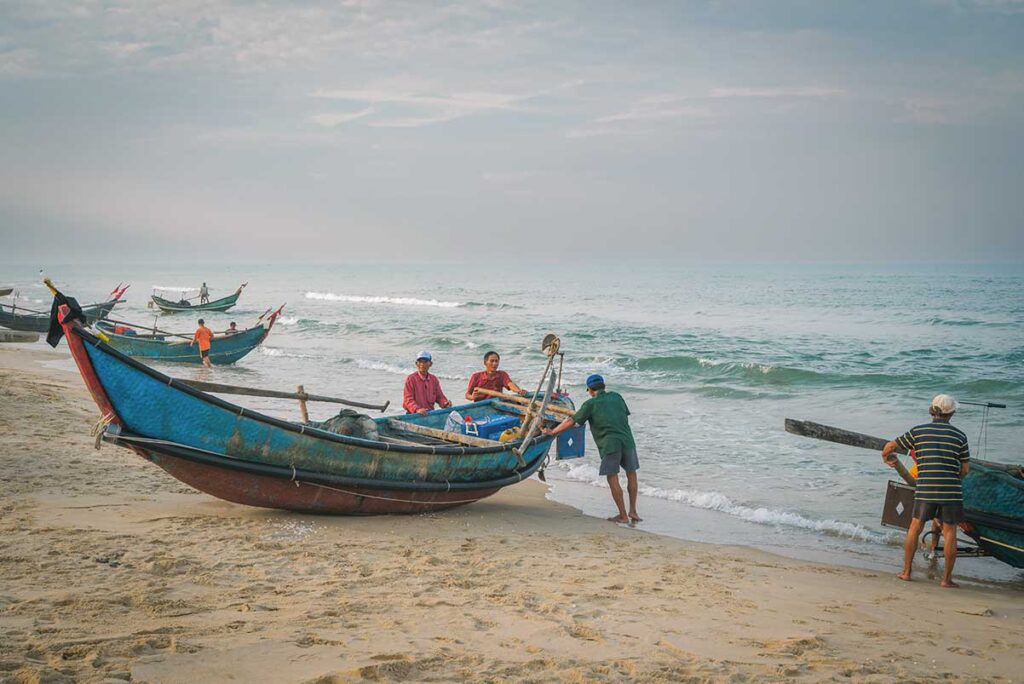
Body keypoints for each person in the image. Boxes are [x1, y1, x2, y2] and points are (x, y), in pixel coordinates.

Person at [881, 394, 970, 588]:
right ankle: (946, 580)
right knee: (950, 532)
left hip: (926, 488)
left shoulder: (918, 432)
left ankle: (906, 572)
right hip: (951, 491)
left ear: (932, 410)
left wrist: (886, 457)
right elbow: (965, 469)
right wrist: (955, 480)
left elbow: (890, 446)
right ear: (952, 413)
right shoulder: (960, 436)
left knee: (915, 528)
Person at [543, 374, 641, 524]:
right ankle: (633, 511)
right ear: (604, 386)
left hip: (610, 444)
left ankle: (623, 515)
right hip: (628, 441)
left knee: (612, 477)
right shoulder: (617, 397)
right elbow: (623, 415)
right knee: (631, 474)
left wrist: (553, 432)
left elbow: (571, 421)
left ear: (589, 389)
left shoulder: (590, 404)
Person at [402, 351, 452, 415]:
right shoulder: (411, 379)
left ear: (430, 364)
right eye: (420, 361)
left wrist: (445, 403)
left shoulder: (434, 379)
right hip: (414, 415)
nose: (422, 364)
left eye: (425, 361)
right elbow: (408, 400)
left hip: (429, 414)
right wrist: (417, 409)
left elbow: (440, 397)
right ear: (416, 363)